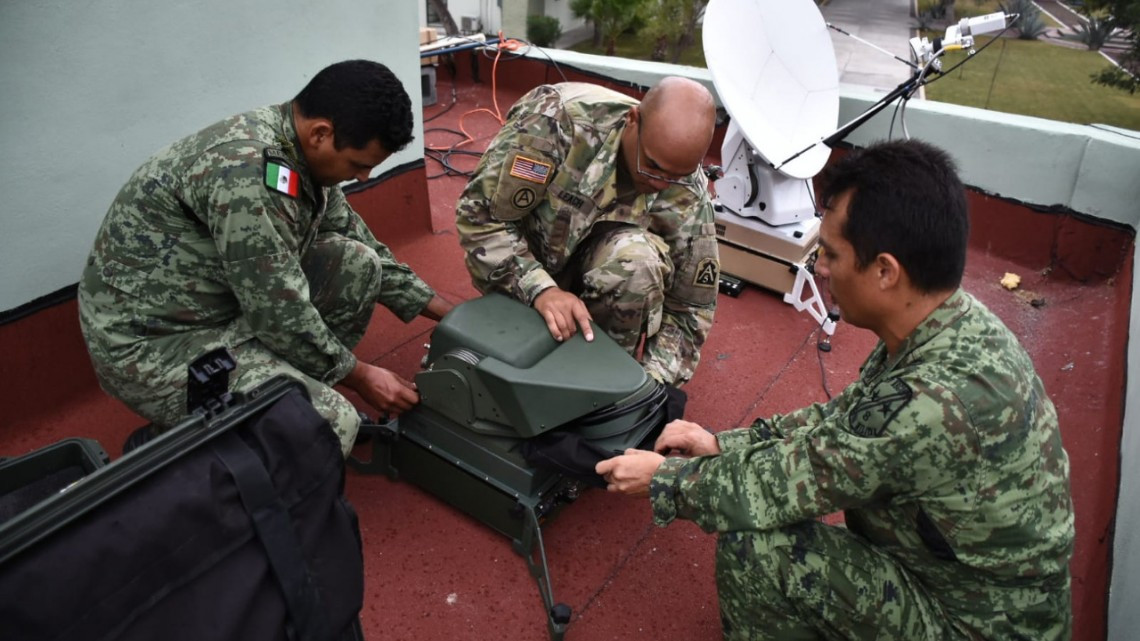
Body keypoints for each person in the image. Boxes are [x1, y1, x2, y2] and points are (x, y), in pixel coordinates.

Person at [596, 139, 1075, 640]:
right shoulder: (946, 322)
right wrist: (723, 444)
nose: (819, 268)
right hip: (965, 585)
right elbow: (847, 421)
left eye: (830, 254)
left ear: (885, 271)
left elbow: (789, 483)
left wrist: (664, 479)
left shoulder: (933, 403)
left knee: (757, 545)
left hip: (976, 624)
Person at [78, 60, 452, 456]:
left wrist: (453, 315)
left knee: (358, 265)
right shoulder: (248, 172)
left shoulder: (298, 151)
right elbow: (279, 312)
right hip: (151, 342)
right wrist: (360, 377)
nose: (362, 178)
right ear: (322, 133)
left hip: (216, 307)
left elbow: (362, 243)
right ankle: (174, 445)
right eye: (358, 165)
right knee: (328, 428)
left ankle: (268, 393)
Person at [455, 77, 720, 387]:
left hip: (599, 280)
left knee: (638, 265)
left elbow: (690, 306)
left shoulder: (688, 186)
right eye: (653, 166)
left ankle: (599, 378)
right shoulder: (557, 120)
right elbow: (480, 218)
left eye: (676, 176)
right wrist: (541, 290)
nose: (661, 183)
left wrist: (653, 384)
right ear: (632, 121)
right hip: (523, 269)